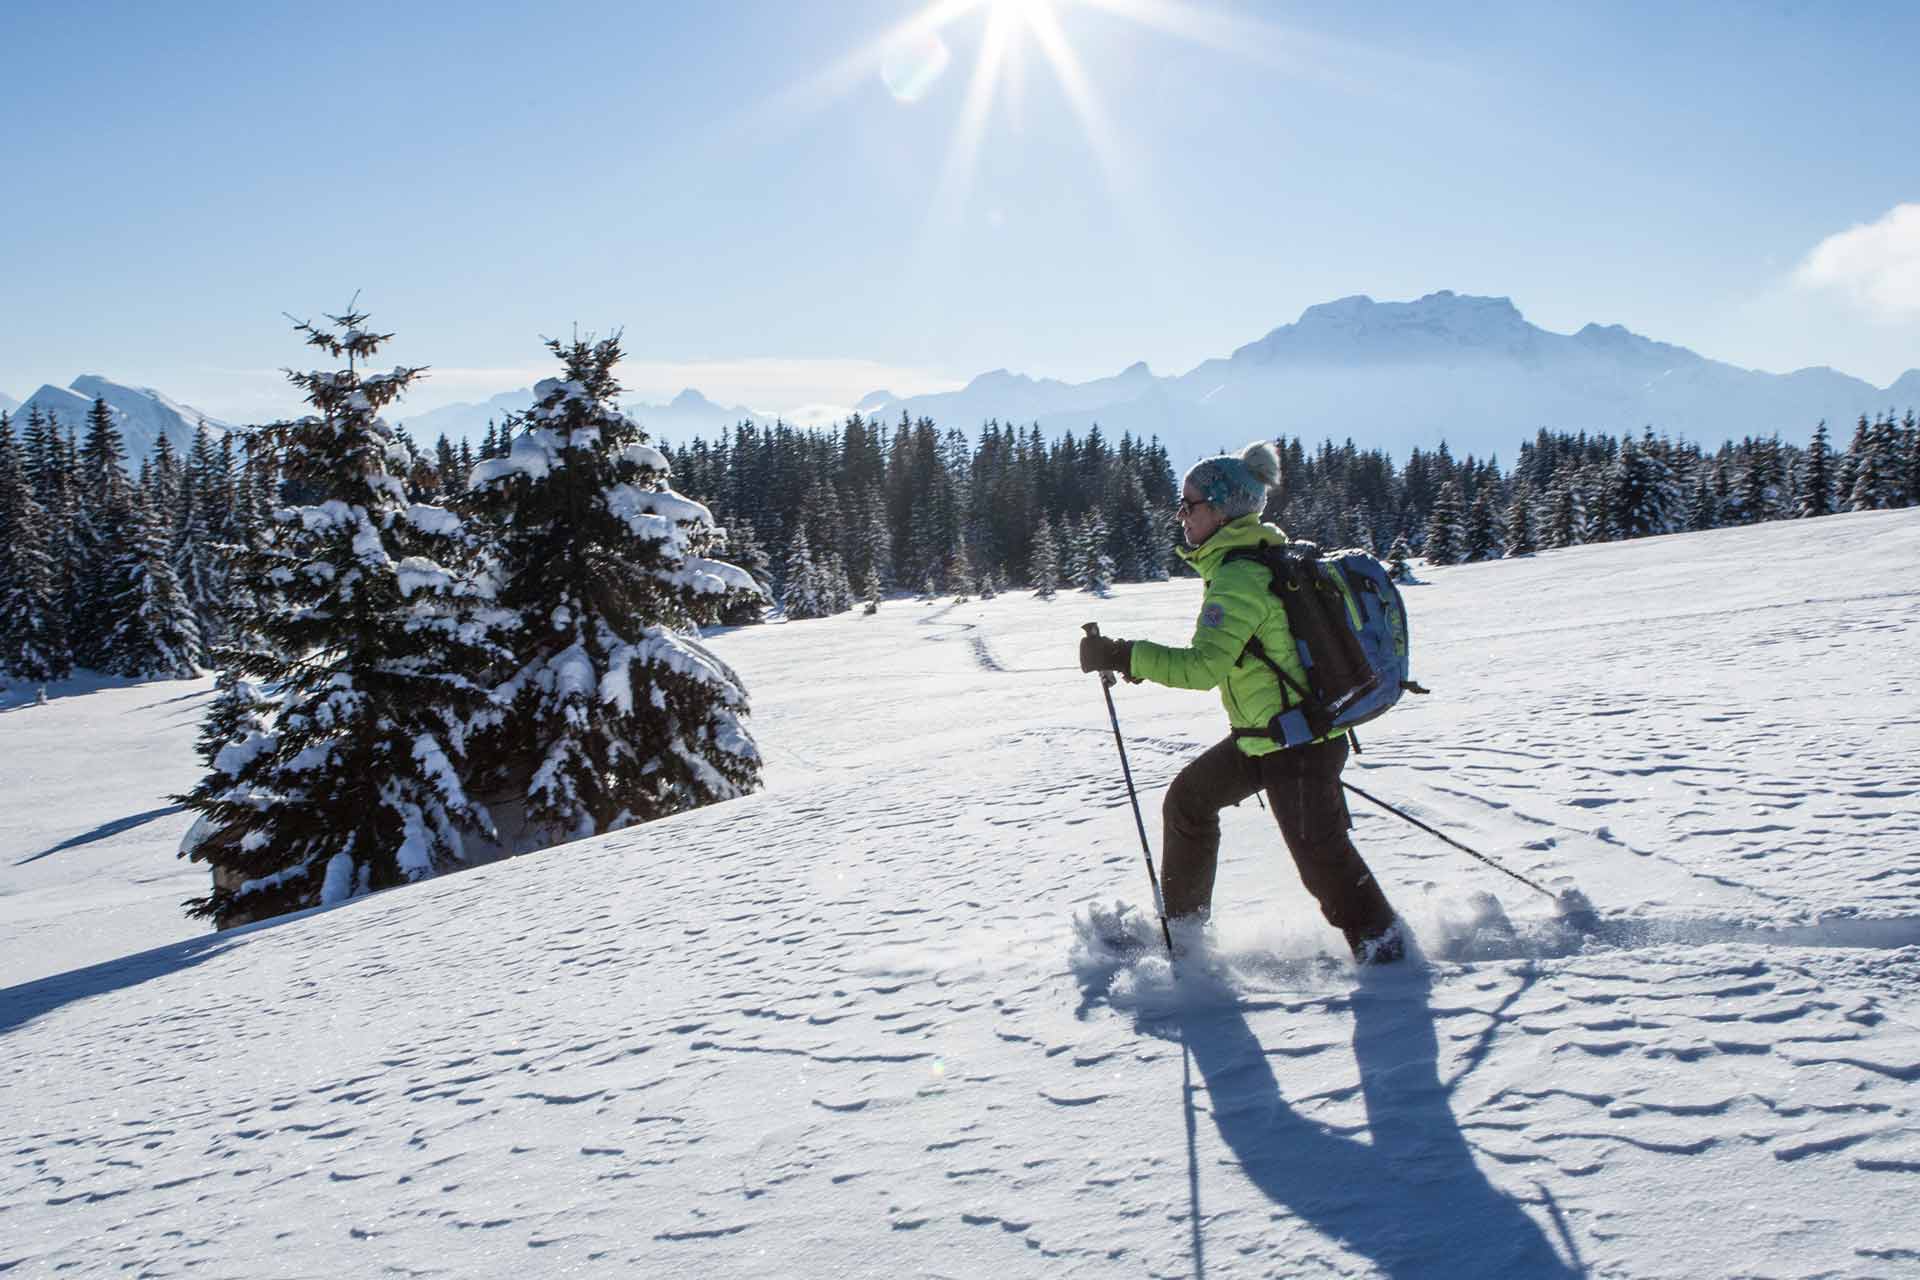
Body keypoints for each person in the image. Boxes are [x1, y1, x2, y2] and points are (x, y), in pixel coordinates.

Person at [1077, 440, 1406, 964]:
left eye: (1190, 505)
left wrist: (1123, 654)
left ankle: (1386, 952)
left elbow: (1201, 668)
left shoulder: (1240, 577)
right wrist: (1131, 661)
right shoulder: (1254, 559)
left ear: (1222, 510)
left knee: (1321, 858)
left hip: (1296, 747)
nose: (1181, 516)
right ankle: (1185, 939)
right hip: (1271, 738)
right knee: (1189, 803)